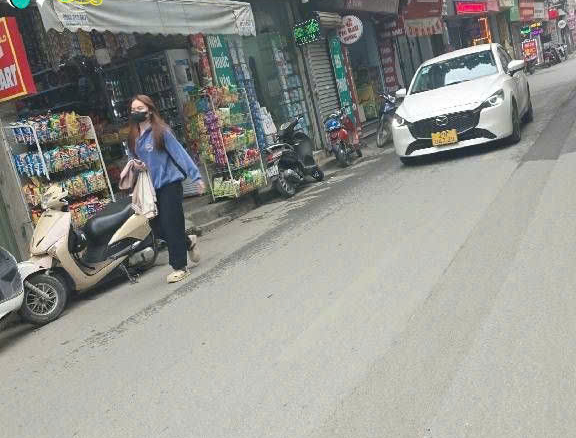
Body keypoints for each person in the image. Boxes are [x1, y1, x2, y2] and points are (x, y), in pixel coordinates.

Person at [128, 94, 205, 284]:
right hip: (150, 190)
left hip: (170, 185)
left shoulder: (161, 132)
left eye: (140, 109)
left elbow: (180, 154)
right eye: (133, 110)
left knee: (172, 225)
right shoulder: (134, 137)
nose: (136, 112)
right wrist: (136, 166)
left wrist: (196, 177)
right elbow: (133, 160)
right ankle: (188, 241)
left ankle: (180, 267)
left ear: (149, 110)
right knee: (157, 228)